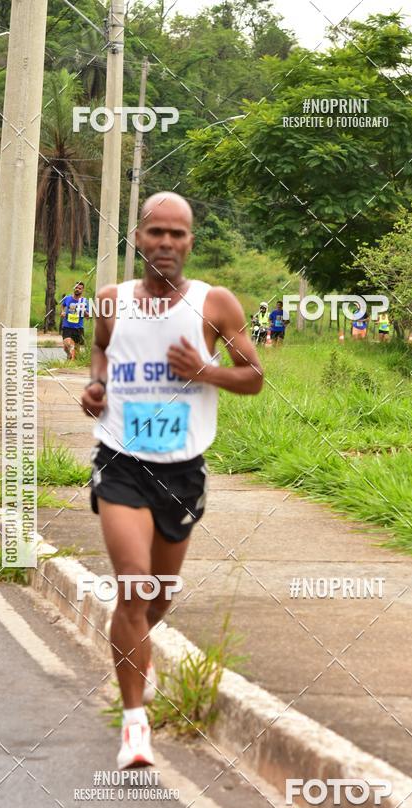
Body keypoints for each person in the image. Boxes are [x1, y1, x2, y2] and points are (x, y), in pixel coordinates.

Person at [80, 192, 263, 769]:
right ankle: (135, 724)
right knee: (134, 586)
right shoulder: (111, 301)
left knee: (157, 597)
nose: (165, 242)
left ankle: (136, 655)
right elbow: (101, 349)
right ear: (138, 238)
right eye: (155, 231)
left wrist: (205, 371)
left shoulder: (215, 304)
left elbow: (254, 376)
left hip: (182, 470)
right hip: (121, 462)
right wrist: (96, 385)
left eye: (176, 233)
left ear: (189, 242)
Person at [61, 281, 87, 360]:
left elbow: (87, 316)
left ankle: (72, 361)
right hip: (67, 326)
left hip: (78, 327)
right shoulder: (67, 298)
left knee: (76, 352)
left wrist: (83, 310)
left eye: (80, 288)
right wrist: (62, 312)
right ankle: (70, 357)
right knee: (67, 345)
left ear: (82, 290)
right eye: (76, 287)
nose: (77, 289)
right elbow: (63, 305)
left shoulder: (84, 301)